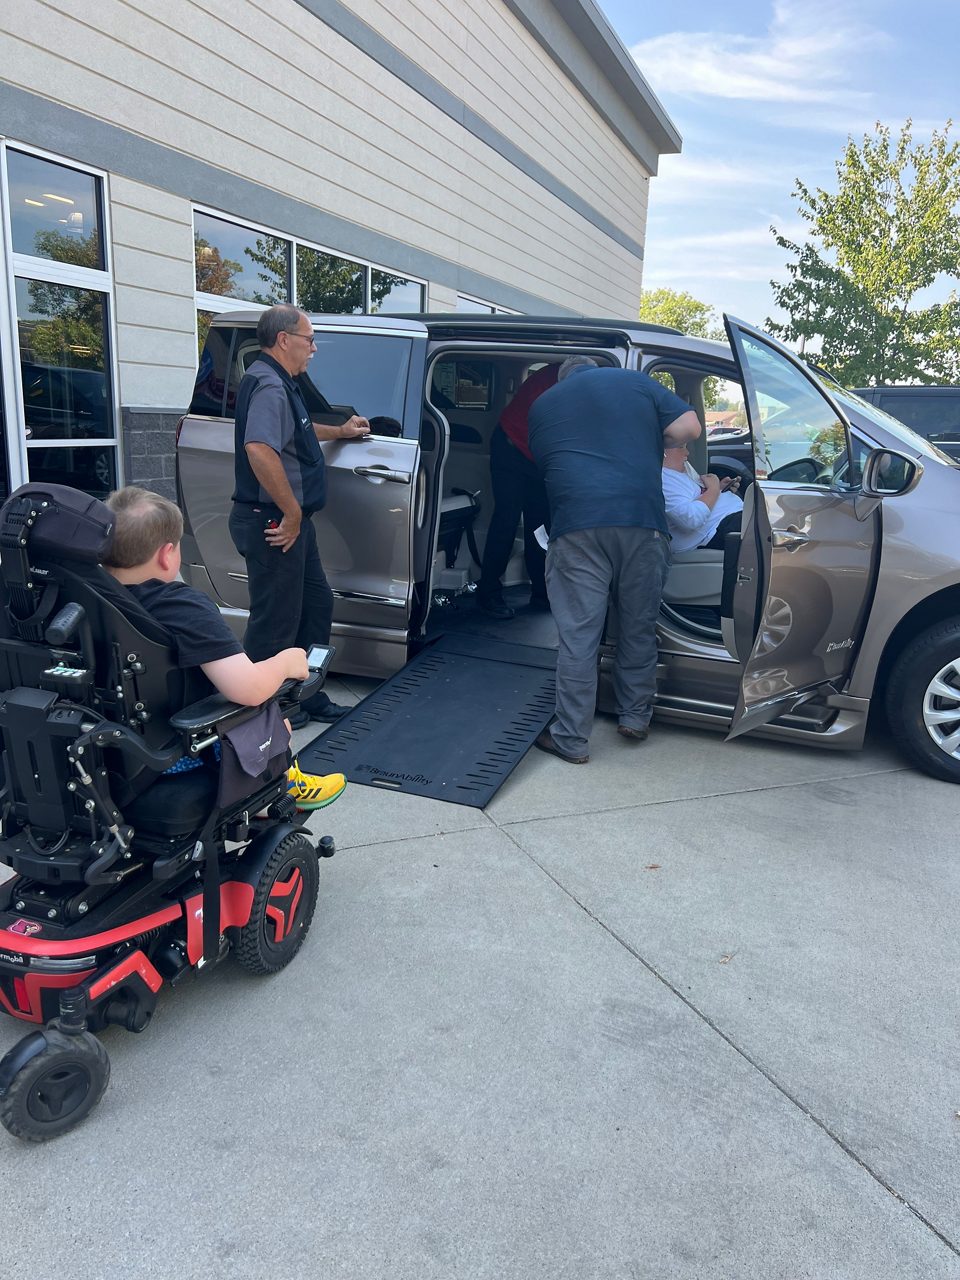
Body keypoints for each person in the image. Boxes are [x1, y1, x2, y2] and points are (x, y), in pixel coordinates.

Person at [103, 486, 345, 811]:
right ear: (167, 554)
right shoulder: (181, 607)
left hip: (110, 752)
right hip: (176, 753)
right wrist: (288, 662)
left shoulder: (89, 602)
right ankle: (280, 789)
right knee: (277, 719)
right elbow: (249, 689)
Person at [527, 356, 701, 764]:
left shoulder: (543, 405)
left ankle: (570, 738)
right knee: (638, 626)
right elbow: (688, 429)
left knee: (579, 637)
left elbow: (550, 465)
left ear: (564, 377)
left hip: (576, 527)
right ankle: (635, 717)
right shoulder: (635, 383)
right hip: (642, 522)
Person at [228, 304, 371, 726]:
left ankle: (304, 695)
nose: (314, 349)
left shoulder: (277, 381)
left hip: (290, 523)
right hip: (275, 523)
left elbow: (299, 428)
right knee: (276, 621)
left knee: (314, 604)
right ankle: (259, 712)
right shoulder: (270, 386)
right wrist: (291, 512)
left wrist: (341, 431)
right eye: (310, 340)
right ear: (284, 340)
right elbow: (259, 448)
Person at [476, 363, 558, 619]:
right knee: (507, 519)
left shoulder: (574, 381)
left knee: (541, 524)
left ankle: (542, 593)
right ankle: (488, 593)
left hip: (537, 457)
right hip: (511, 447)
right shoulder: (549, 383)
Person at [661, 437, 743, 551]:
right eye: (681, 447)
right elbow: (690, 519)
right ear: (662, 451)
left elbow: (699, 497)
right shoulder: (664, 479)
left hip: (728, 519)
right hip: (714, 531)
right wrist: (713, 489)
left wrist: (719, 489)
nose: (687, 453)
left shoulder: (683, 468)